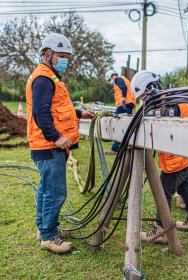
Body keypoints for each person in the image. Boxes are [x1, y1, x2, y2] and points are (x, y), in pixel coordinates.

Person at [26, 33, 96, 254]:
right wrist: (56, 137)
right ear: (48, 54)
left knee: (47, 190)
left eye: (67, 56)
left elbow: (58, 109)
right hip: (49, 146)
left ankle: (46, 228)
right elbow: (41, 112)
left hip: (49, 146)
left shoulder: (50, 77)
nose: (65, 59)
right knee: (55, 192)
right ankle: (48, 236)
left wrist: (79, 113)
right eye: (62, 55)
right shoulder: (44, 79)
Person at [130, 70, 188, 245]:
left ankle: (160, 230)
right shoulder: (168, 101)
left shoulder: (170, 105)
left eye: (143, 97)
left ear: (152, 88)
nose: (143, 101)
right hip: (187, 157)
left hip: (177, 160)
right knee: (184, 187)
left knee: (163, 192)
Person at [105, 70, 137, 154]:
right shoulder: (120, 79)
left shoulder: (118, 79)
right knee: (127, 124)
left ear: (112, 76)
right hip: (128, 104)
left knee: (117, 124)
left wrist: (123, 99)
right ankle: (128, 144)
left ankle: (116, 148)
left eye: (109, 80)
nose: (110, 82)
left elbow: (123, 88)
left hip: (124, 105)